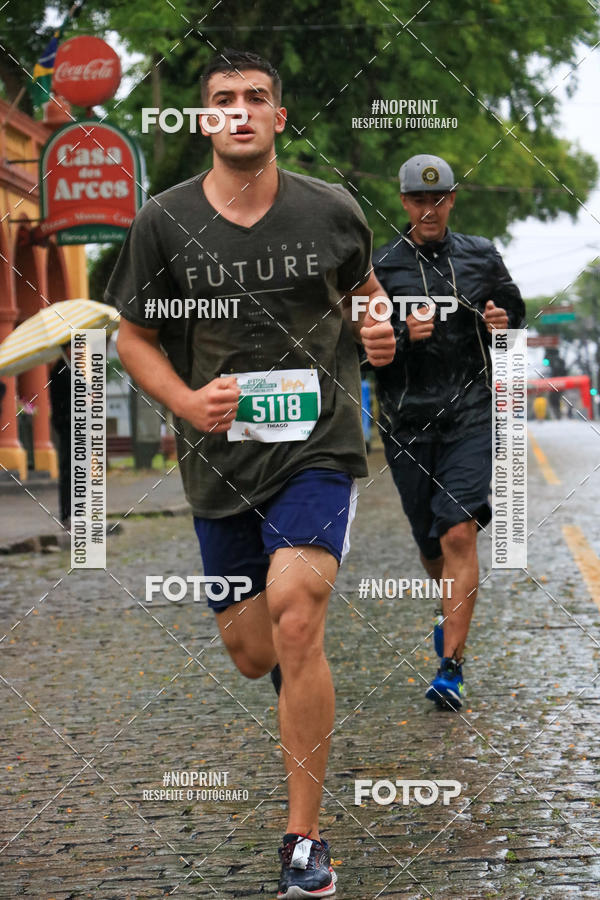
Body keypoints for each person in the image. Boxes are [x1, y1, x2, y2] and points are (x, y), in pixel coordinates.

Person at [108, 49, 395, 899]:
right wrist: (189, 405)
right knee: (251, 650)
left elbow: (367, 292)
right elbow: (133, 336)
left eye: (256, 99)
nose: (240, 111)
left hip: (318, 443)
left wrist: (376, 331)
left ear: (278, 117)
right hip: (219, 462)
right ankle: (295, 689)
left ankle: (303, 842)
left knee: (298, 616)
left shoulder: (332, 209)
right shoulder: (162, 222)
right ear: (205, 120)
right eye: (223, 100)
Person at [372, 153, 525, 710]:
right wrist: (400, 333)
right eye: (418, 199)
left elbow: (515, 313)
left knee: (459, 532)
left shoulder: (481, 255)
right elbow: (361, 354)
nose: (429, 209)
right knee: (431, 542)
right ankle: (447, 611)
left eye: (438, 199)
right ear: (404, 202)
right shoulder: (381, 265)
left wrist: (501, 322)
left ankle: (450, 668)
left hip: (470, 413)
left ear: (452, 199)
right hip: (406, 421)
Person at [49, 345, 72, 528]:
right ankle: (67, 514)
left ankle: (77, 512)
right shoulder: (60, 370)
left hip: (75, 426)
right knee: (68, 472)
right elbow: (62, 401)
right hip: (67, 426)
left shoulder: (72, 368)